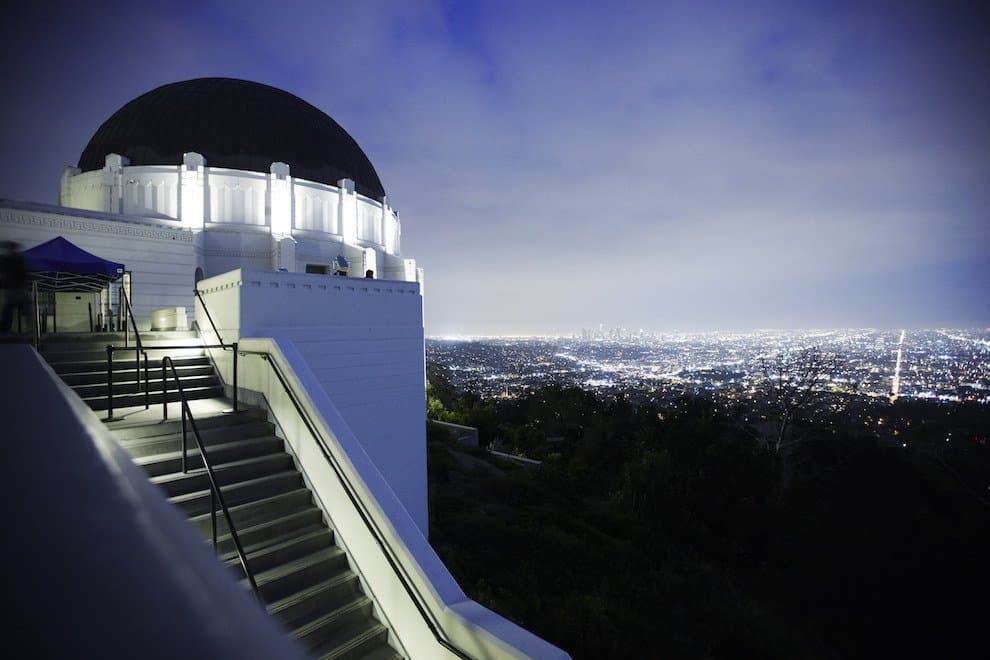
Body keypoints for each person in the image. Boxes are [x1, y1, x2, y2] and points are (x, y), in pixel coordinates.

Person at [0, 241, 30, 333]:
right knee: (25, 309)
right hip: (17, 288)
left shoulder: (6, 259)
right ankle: (32, 329)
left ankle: (5, 328)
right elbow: (24, 274)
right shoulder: (18, 259)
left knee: (9, 309)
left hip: (12, 288)